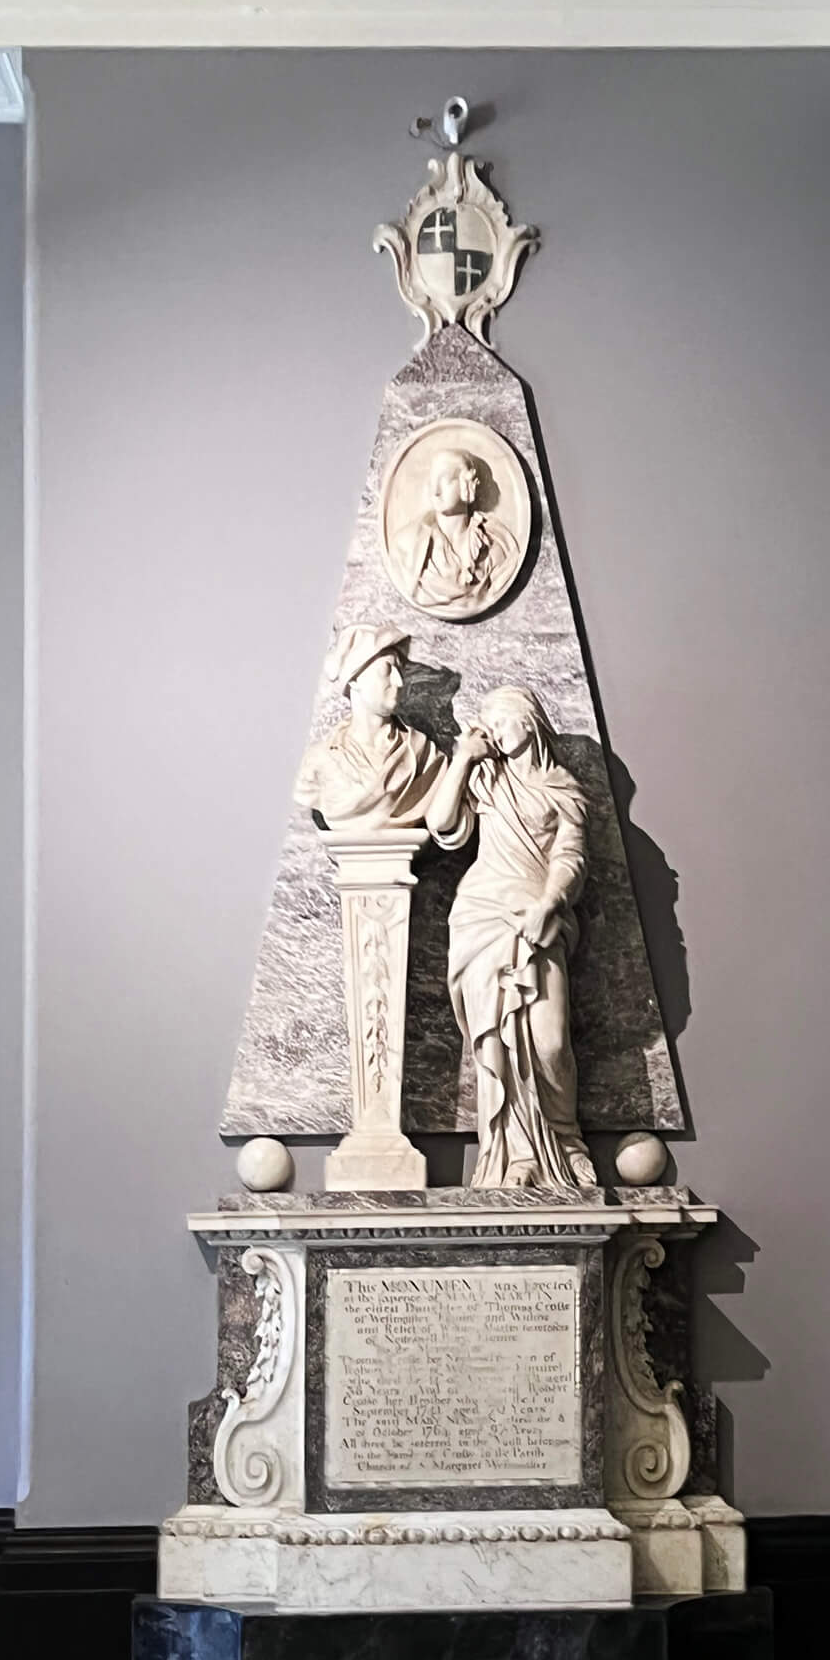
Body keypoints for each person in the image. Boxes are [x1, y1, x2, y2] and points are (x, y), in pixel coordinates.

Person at [427, 685, 597, 1190]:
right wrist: (462, 758)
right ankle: (515, 1155)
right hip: (481, 915)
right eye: (487, 722)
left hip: (537, 915)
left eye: (501, 719)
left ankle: (565, 1140)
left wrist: (550, 902)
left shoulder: (561, 787)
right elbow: (440, 823)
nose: (494, 730)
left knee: (549, 1041)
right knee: (495, 1044)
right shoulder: (486, 779)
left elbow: (572, 857)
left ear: (529, 720)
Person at [293, 623, 445, 828]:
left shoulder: (424, 754)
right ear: (354, 679)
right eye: (387, 670)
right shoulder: (317, 761)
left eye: (399, 671)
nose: (399, 682)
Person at [401, 448, 515, 612]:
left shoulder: (494, 547)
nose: (436, 491)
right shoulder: (407, 547)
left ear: (466, 485)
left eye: (445, 481)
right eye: (432, 481)